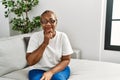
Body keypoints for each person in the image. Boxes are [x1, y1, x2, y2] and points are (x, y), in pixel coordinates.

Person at [26, 10, 73, 80]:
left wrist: (51, 72)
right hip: (38, 70)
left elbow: (66, 60)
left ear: (56, 22)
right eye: (44, 21)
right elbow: (30, 62)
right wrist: (45, 43)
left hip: (58, 68)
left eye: (52, 21)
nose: (48, 24)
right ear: (41, 24)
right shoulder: (35, 37)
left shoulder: (62, 36)